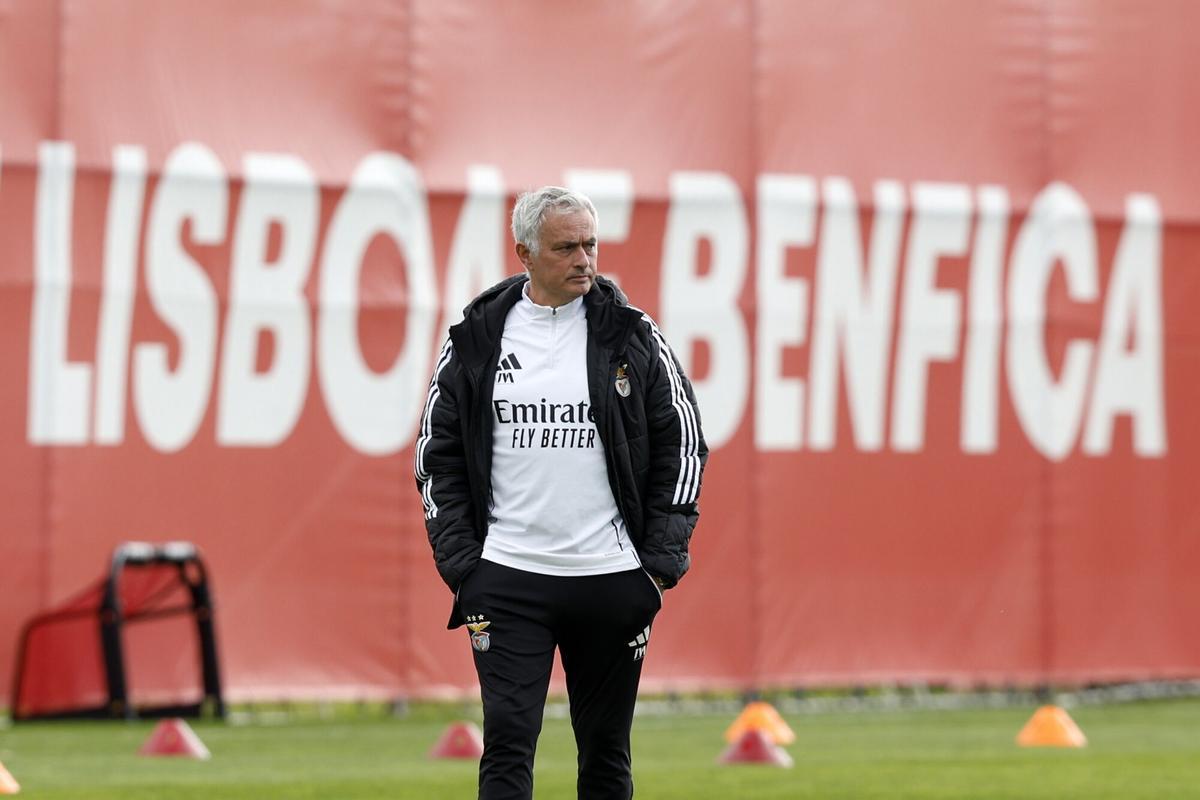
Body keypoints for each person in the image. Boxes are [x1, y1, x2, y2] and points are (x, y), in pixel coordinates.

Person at [415, 186, 707, 800]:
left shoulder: (632, 335)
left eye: (591, 244)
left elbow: (684, 444)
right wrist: (466, 568)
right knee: (507, 744)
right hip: (508, 578)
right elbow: (434, 454)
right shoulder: (476, 337)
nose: (585, 260)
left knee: (605, 754)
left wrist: (654, 568)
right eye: (566, 247)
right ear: (523, 252)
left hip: (611, 578)